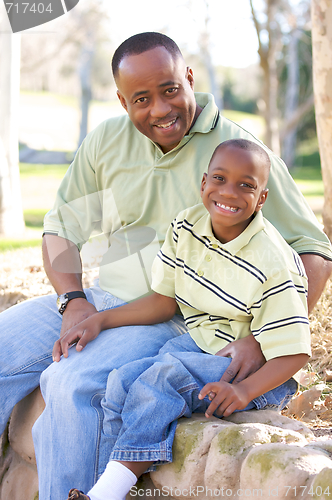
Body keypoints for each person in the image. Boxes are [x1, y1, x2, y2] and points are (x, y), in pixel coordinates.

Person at [0, 32, 330, 499]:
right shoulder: (109, 143)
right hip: (104, 300)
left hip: (180, 318)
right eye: (141, 98)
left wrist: (261, 341)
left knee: (73, 381)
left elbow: (312, 252)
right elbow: (61, 232)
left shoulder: (237, 154)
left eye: (170, 89)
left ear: (189, 78)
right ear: (121, 100)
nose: (159, 108)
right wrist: (72, 301)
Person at [63, 139, 311, 500]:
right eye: (220, 179)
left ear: (262, 198)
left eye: (246, 185)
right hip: (199, 342)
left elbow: (295, 354)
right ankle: (112, 481)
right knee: (120, 382)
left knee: (161, 381)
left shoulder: (274, 261)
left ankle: (107, 494)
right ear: (203, 183)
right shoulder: (186, 226)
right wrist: (102, 319)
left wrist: (243, 392)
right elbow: (164, 302)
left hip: (258, 374)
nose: (230, 192)